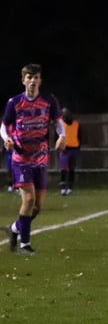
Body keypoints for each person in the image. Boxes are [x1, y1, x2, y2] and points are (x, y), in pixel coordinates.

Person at [2, 64, 66, 254]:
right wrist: (7, 139)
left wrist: (62, 135)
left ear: (40, 80)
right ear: (23, 80)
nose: (32, 81)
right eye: (29, 77)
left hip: (41, 159)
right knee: (28, 200)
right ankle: (25, 245)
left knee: (37, 207)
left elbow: (59, 123)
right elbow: (4, 125)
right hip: (21, 158)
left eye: (36, 77)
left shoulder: (48, 100)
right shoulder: (14, 102)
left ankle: (14, 229)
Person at [58, 107, 81, 195]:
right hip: (65, 149)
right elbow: (57, 137)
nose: (65, 116)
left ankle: (70, 187)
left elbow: (79, 136)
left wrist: (79, 147)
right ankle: (63, 187)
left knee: (72, 169)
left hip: (74, 148)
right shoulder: (61, 124)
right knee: (64, 169)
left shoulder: (76, 124)